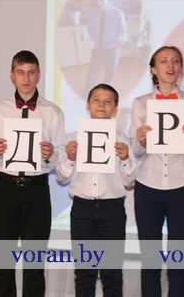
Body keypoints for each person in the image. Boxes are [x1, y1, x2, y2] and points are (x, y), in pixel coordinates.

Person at [0, 50, 66, 297]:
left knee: (34, 265)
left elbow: (61, 158)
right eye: (20, 72)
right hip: (5, 189)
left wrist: (51, 154)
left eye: (30, 72)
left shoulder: (53, 112)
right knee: (3, 263)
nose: (26, 78)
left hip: (37, 191)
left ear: (38, 75)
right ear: (12, 75)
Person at [131, 46, 184, 297]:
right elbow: (135, 151)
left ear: (181, 69)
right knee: (150, 262)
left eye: (176, 61)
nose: (170, 65)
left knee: (178, 263)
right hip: (147, 186)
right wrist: (140, 140)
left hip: (182, 185)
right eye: (164, 61)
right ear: (153, 69)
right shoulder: (141, 103)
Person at [56, 83, 137, 297]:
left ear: (115, 108)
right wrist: (70, 158)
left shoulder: (122, 140)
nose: (101, 105)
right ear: (87, 105)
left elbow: (130, 180)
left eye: (108, 102)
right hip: (82, 210)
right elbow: (61, 176)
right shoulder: (73, 138)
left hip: (112, 210)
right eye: (96, 100)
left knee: (112, 273)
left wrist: (125, 158)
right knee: (84, 273)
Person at [83, 0, 127, 95]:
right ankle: (86, 95)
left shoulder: (117, 13)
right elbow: (90, 32)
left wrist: (121, 38)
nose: (98, 2)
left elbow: (123, 32)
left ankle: (106, 95)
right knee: (92, 74)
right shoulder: (93, 14)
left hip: (112, 50)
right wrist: (85, 36)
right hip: (97, 50)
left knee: (109, 75)